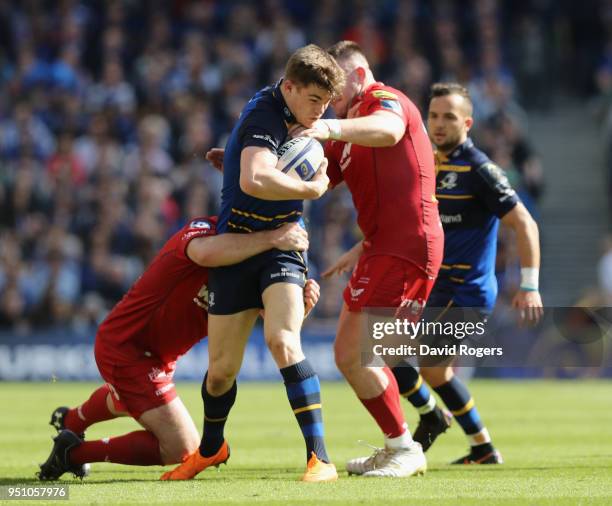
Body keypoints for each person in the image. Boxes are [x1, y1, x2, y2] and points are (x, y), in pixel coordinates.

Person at [161, 44, 344, 483]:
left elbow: (255, 165)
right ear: (290, 87)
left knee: (283, 340)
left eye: (327, 103)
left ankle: (320, 459)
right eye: (314, 100)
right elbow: (255, 177)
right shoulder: (265, 112)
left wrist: (234, 157)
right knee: (221, 370)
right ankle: (211, 449)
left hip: (284, 245)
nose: (320, 112)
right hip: (238, 246)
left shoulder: (288, 116)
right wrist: (312, 191)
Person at [37, 217, 317, 480]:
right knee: (182, 446)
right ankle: (72, 454)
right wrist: (273, 238)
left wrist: (299, 308)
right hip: (128, 348)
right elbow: (206, 255)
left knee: (130, 398)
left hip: (155, 357)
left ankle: (72, 419)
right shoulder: (208, 229)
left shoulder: (255, 265)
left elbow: (276, 324)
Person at [299, 41, 444, 477]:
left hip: (407, 244)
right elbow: (312, 179)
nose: (329, 103)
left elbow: (389, 130)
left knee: (365, 351)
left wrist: (329, 129)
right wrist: (244, 167)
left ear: (358, 77)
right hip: (380, 247)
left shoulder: (382, 100)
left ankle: (405, 448)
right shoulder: (347, 131)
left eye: (335, 91)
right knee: (350, 353)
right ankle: (398, 443)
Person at [391, 82, 544, 464]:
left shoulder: (479, 169)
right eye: (434, 116)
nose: (439, 124)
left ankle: (430, 420)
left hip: (465, 290)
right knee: (436, 373)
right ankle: (483, 447)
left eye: (449, 118)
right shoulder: (426, 161)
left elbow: (524, 223)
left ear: (468, 123)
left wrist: (529, 284)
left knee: (387, 349)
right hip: (436, 288)